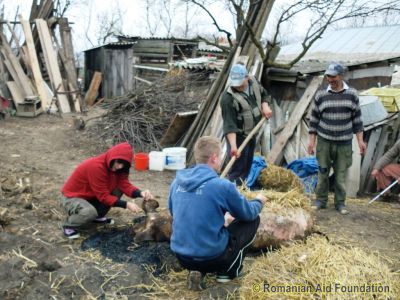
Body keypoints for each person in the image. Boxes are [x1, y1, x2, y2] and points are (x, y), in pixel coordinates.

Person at [168, 136, 267, 290]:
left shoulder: (176, 183)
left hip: (182, 257)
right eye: (221, 156)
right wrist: (258, 201)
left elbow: (174, 212)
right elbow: (247, 213)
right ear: (214, 158)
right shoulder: (221, 186)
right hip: (212, 257)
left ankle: (196, 271)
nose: (221, 160)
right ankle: (228, 272)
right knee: (253, 220)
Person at [307, 62, 367, 215]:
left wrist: (360, 141)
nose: (330, 79)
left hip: (344, 143)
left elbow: (357, 121)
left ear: (341, 76)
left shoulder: (352, 94)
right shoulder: (321, 95)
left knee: (340, 176)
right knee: (322, 173)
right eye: (328, 76)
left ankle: (340, 203)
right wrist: (311, 142)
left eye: (333, 76)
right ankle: (321, 201)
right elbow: (313, 121)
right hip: (324, 142)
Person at [60, 142, 153, 239]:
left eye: (123, 164)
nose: (120, 167)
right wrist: (126, 205)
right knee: (89, 212)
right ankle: (69, 225)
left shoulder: (121, 168)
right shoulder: (96, 167)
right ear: (113, 157)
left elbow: (124, 184)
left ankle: (97, 216)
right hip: (73, 197)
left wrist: (140, 193)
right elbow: (103, 196)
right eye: (118, 162)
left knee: (118, 189)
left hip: (92, 195)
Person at [220, 63, 273, 184]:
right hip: (237, 137)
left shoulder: (254, 82)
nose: (237, 86)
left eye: (240, 82)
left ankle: (242, 190)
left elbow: (264, 94)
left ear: (247, 77)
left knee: (247, 165)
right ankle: (233, 190)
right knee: (237, 168)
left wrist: (265, 106)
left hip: (252, 133)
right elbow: (229, 125)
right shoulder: (227, 98)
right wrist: (233, 146)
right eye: (235, 83)